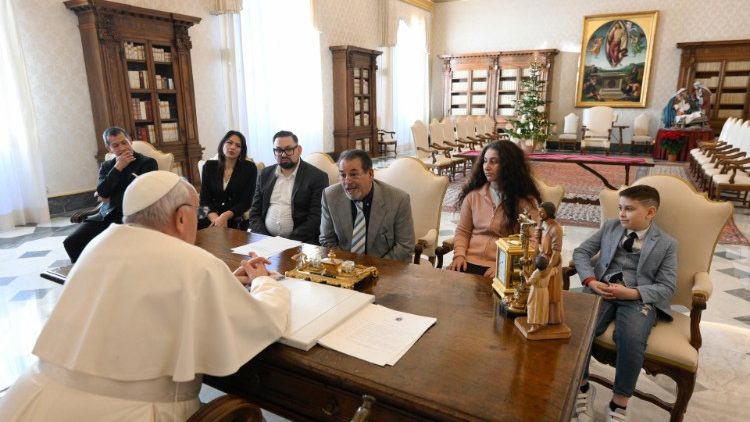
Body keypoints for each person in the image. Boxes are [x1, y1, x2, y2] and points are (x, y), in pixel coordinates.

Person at [0, 171, 291, 421]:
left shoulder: (98, 246)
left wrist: (222, 282)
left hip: (33, 398)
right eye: (196, 211)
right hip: (134, 413)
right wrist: (265, 284)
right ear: (180, 217)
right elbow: (262, 322)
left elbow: (135, 292)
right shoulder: (194, 263)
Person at [571, 185, 677, 422]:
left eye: (629, 209)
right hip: (603, 289)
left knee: (631, 337)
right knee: (578, 326)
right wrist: (590, 280)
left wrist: (633, 293)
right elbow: (580, 252)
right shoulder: (610, 227)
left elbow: (667, 286)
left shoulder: (667, 244)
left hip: (637, 298)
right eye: (620, 208)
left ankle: (618, 405)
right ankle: (583, 387)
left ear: (650, 212)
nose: (621, 214)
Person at [63, 127, 157, 263]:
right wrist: (118, 168)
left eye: (124, 142)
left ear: (130, 141)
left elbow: (142, 196)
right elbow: (102, 192)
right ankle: (87, 276)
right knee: (72, 242)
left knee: (113, 250)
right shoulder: (107, 166)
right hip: (105, 215)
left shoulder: (147, 163)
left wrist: (110, 198)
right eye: (116, 145)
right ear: (109, 149)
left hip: (133, 216)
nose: (122, 148)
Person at [449, 140, 541, 278]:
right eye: (485, 161)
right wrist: (459, 255)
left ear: (508, 165)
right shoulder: (473, 196)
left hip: (503, 266)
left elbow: (532, 242)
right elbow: (463, 231)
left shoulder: (525, 202)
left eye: (494, 162)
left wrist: (504, 266)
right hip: (468, 261)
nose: (486, 167)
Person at [319, 149, 415, 262]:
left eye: (353, 174)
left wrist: (371, 270)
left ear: (370, 174)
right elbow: (326, 240)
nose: (347, 181)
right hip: (344, 268)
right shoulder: (330, 196)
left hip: (385, 270)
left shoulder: (398, 200)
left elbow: (405, 247)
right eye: (343, 175)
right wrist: (347, 268)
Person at [248, 130, 328, 244]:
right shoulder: (265, 174)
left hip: (301, 243)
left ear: (299, 150)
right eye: (279, 150)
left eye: (289, 149)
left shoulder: (317, 177)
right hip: (265, 241)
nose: (284, 154)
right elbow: (255, 213)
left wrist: (286, 243)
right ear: (274, 152)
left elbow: (316, 219)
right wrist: (266, 239)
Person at [199, 130, 257, 230]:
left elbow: (246, 201)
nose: (233, 147)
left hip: (233, 215)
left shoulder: (249, 168)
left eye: (238, 145)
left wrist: (225, 216)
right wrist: (216, 220)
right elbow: (204, 199)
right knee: (191, 221)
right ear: (223, 144)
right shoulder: (208, 166)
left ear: (241, 151)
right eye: (229, 143)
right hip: (209, 213)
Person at [537, 201, 564, 324]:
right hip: (543, 260)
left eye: (542, 212)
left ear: (549, 213)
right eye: (539, 211)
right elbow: (540, 247)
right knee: (541, 291)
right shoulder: (544, 225)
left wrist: (548, 268)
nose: (539, 214)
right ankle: (540, 316)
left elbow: (556, 253)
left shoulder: (556, 229)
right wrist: (538, 237)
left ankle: (552, 319)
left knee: (551, 293)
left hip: (551, 264)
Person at [526, 255, 551, 333]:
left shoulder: (537, 272)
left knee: (534, 307)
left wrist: (524, 275)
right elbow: (555, 271)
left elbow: (528, 283)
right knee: (542, 307)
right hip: (544, 291)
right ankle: (541, 322)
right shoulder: (549, 270)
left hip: (536, 291)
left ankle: (534, 326)